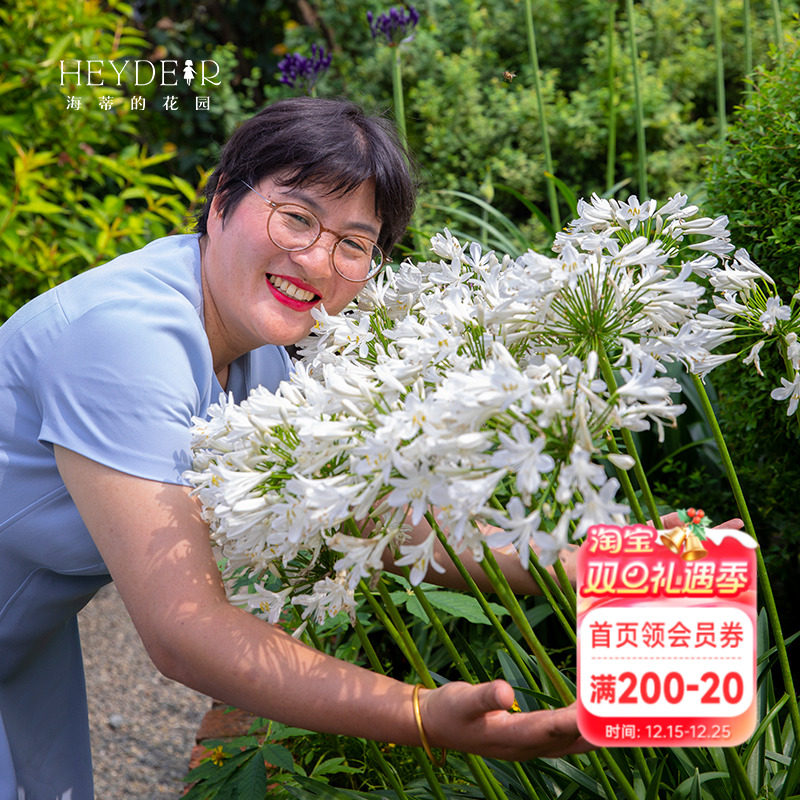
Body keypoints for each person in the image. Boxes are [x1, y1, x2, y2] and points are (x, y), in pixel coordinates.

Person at [0, 97, 590, 799]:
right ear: (221, 202)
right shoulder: (125, 341)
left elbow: (369, 527)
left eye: (353, 243)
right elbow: (184, 630)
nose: (317, 259)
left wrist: (586, 565)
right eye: (297, 217)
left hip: (26, 641)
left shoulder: (262, 351)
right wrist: (417, 714)